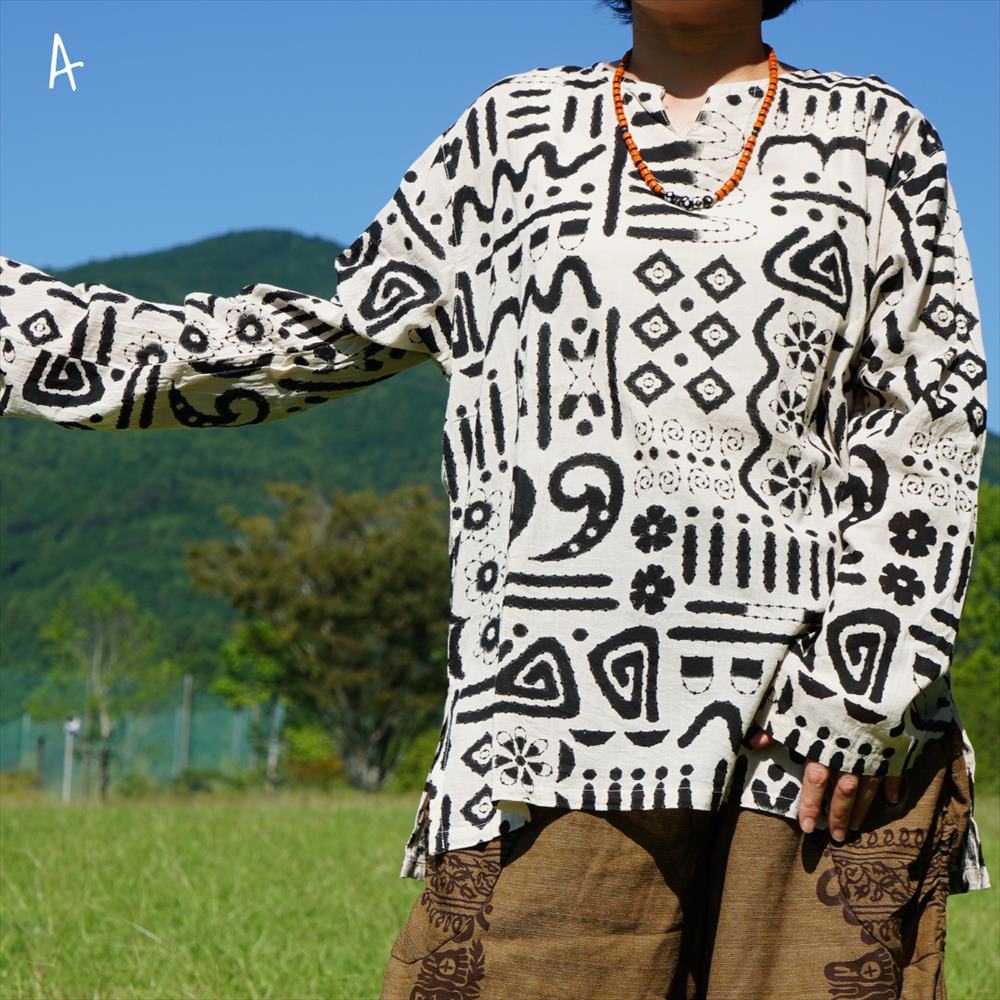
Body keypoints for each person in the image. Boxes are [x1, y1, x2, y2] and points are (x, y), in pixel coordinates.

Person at [0, 0, 991, 996]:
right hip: (553, 719)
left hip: (816, 738)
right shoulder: (510, 132)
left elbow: (929, 414)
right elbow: (319, 342)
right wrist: (27, 330)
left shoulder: (880, 138)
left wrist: (863, 685)